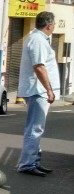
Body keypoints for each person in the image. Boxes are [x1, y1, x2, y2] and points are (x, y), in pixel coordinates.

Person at [17, 11, 60, 177]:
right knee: (35, 129)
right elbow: (39, 66)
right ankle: (27, 164)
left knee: (37, 128)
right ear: (49, 25)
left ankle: (34, 161)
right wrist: (49, 89)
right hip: (38, 90)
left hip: (38, 90)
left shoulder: (38, 39)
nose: (54, 26)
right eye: (54, 23)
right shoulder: (38, 40)